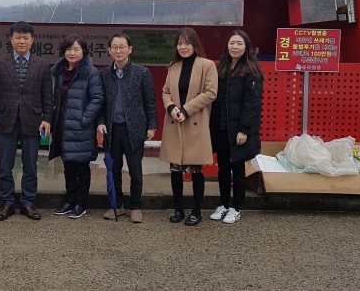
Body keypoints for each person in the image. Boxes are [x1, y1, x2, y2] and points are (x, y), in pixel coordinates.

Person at [0, 21, 54, 221]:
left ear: (32, 40)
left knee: (30, 165)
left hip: (33, 121)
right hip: (6, 120)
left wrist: (47, 119)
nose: (21, 41)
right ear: (11, 39)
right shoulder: (0, 63)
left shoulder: (42, 65)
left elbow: (47, 97)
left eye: (25, 37)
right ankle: (6, 203)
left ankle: (28, 203)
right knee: (5, 165)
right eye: (18, 37)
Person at [97, 33, 157, 223]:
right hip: (112, 129)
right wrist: (100, 122)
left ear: (130, 49)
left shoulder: (142, 73)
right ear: (109, 50)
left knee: (135, 170)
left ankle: (135, 206)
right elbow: (99, 103)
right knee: (113, 169)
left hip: (135, 128)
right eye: (115, 47)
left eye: (122, 47)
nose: (119, 50)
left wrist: (152, 125)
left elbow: (150, 101)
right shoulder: (103, 75)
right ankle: (117, 204)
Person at [159, 28, 217, 226]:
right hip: (175, 121)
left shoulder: (207, 65)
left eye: (187, 43)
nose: (183, 47)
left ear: (195, 45)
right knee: (175, 169)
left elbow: (211, 93)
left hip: (195, 121)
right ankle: (178, 209)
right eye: (179, 43)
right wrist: (171, 107)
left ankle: (196, 211)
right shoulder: (173, 67)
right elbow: (166, 91)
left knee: (196, 170)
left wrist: (186, 109)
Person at [209, 30, 264, 224]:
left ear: (246, 47)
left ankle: (236, 207)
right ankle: (224, 204)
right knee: (223, 168)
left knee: (238, 169)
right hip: (221, 128)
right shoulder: (220, 69)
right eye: (232, 43)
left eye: (239, 43)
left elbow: (252, 105)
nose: (235, 47)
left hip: (239, 131)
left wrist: (244, 130)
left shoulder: (252, 72)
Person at [50, 35, 104, 219]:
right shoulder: (59, 71)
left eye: (76, 49)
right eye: (68, 49)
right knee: (68, 166)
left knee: (82, 166)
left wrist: (85, 119)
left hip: (81, 127)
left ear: (84, 52)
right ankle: (69, 201)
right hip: (63, 126)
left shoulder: (91, 72)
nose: (72, 53)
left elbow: (97, 98)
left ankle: (81, 203)